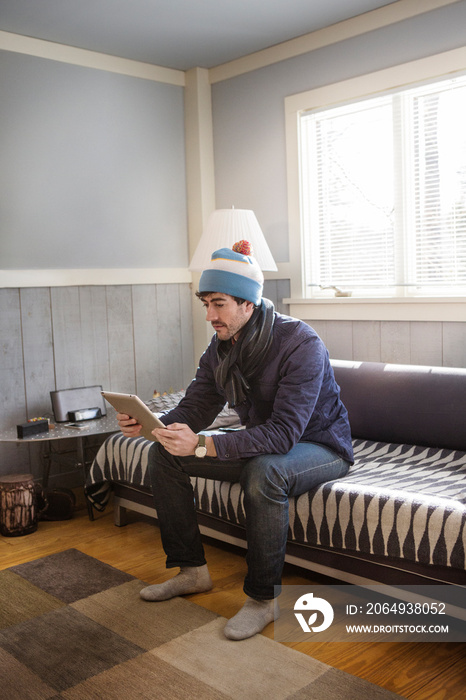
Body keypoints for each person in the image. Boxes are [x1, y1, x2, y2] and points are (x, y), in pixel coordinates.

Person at [117, 241, 353, 641]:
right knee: (166, 455)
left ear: (248, 304)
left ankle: (262, 600)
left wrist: (207, 445)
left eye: (219, 304)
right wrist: (152, 424)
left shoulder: (301, 343)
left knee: (265, 472)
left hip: (321, 446)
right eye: (205, 303)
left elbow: (283, 433)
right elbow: (196, 407)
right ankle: (192, 571)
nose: (209, 315)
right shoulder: (221, 346)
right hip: (267, 441)